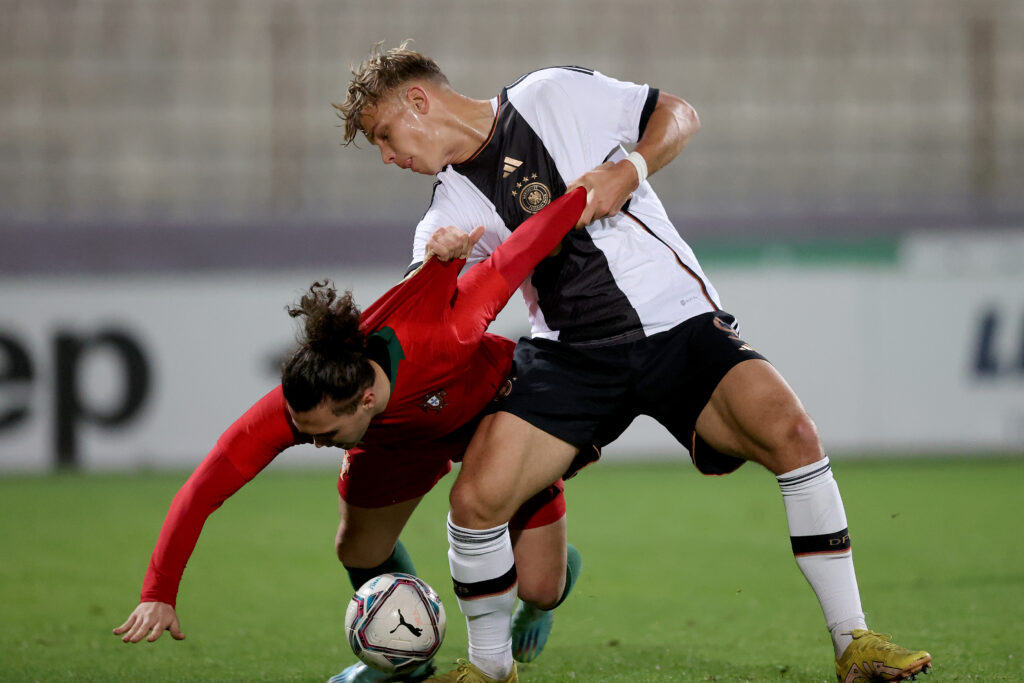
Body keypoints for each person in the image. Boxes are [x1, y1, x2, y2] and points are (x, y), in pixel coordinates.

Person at [335, 42, 932, 683]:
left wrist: (632, 170)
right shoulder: (447, 210)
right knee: (476, 503)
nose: (389, 157)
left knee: (794, 434)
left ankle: (854, 642)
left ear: (417, 102)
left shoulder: (549, 95)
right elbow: (424, 305)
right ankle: (490, 670)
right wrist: (442, 267)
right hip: (571, 354)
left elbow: (678, 113)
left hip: (674, 322)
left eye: (384, 135)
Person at [112, 189, 589, 683]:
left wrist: (591, 190)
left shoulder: (442, 334)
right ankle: (406, 658)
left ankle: (542, 601)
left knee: (539, 585)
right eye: (306, 432)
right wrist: (158, 593)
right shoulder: (298, 408)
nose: (314, 443)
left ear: (364, 400)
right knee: (358, 549)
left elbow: (520, 251)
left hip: (493, 413)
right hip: (395, 443)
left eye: (325, 434)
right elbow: (201, 491)